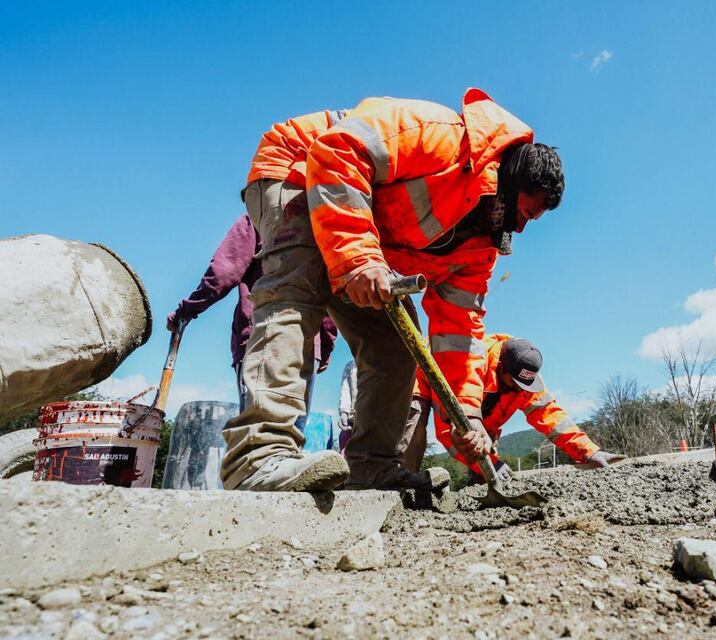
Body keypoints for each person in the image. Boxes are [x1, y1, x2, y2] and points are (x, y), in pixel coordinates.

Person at [221, 88, 564, 494]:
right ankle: (257, 456)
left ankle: (372, 465)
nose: (520, 229)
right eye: (524, 213)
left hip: (352, 225)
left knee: (397, 342)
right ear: (508, 181)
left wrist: (468, 414)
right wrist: (360, 258)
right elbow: (338, 150)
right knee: (298, 287)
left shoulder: (480, 247)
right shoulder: (439, 135)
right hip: (298, 166)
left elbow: (459, 332)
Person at [167, 214, 338, 428]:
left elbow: (223, 273)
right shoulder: (320, 220)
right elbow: (332, 294)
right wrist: (325, 348)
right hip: (307, 346)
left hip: (264, 337)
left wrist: (186, 310)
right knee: (290, 436)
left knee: (256, 436)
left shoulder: (260, 216)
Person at [408, 334, 626, 478]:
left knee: (485, 449)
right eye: (516, 382)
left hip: (483, 408)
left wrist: (590, 452)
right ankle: (401, 488)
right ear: (500, 368)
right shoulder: (467, 369)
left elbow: (552, 416)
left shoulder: (524, 378)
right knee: (414, 424)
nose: (521, 390)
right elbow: (449, 432)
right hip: (426, 372)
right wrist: (493, 464)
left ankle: (480, 483)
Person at [337, 360, 356, 453]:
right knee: (345, 450)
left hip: (374, 423)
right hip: (351, 422)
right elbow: (345, 391)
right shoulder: (350, 366)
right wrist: (344, 412)